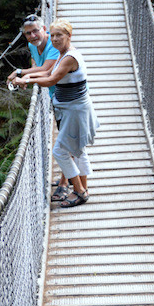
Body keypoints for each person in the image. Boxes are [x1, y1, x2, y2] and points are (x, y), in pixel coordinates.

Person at [12, 19, 99, 208]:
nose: (56, 39)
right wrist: (27, 76)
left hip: (75, 111)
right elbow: (48, 71)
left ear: (69, 36)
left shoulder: (69, 58)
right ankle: (83, 187)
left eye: (60, 35)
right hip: (71, 109)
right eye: (53, 35)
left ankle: (79, 191)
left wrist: (26, 81)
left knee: (60, 151)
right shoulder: (63, 54)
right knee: (78, 149)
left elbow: (51, 80)